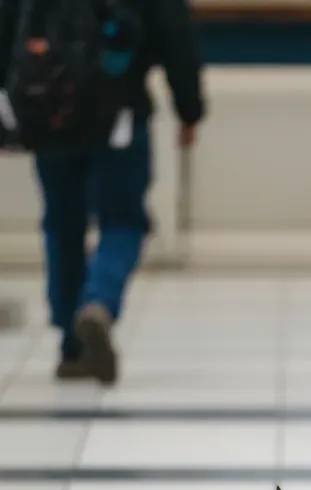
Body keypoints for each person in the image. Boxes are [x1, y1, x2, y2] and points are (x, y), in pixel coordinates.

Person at [0, 0, 204, 384]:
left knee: (62, 224)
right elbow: (175, 34)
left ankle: (71, 342)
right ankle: (98, 304)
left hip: (48, 110)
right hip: (119, 111)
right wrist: (189, 108)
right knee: (124, 220)